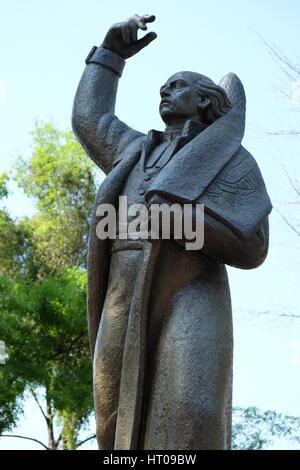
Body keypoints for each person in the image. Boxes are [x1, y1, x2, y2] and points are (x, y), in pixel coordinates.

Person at [72, 14, 272, 450]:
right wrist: (109, 56)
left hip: (191, 290)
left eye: (178, 85)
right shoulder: (133, 149)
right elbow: (90, 117)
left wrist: (183, 225)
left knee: (190, 414)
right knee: (113, 425)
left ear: (206, 101)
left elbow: (254, 245)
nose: (165, 91)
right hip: (120, 294)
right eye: (162, 87)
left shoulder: (231, 160)